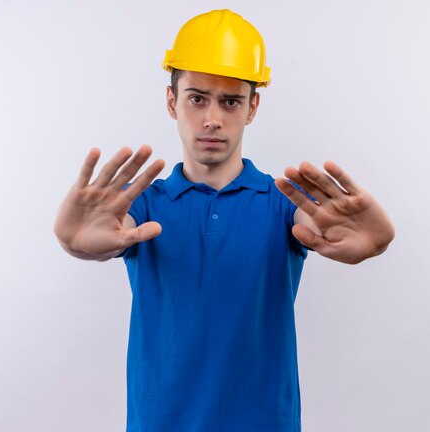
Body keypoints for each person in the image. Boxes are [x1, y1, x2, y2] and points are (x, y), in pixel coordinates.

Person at [54, 9, 395, 432]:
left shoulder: (283, 202)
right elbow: (101, 231)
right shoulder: (143, 205)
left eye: (230, 101)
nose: (212, 118)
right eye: (197, 98)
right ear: (170, 101)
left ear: (252, 107)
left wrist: (375, 237)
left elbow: (328, 223)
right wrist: (72, 239)